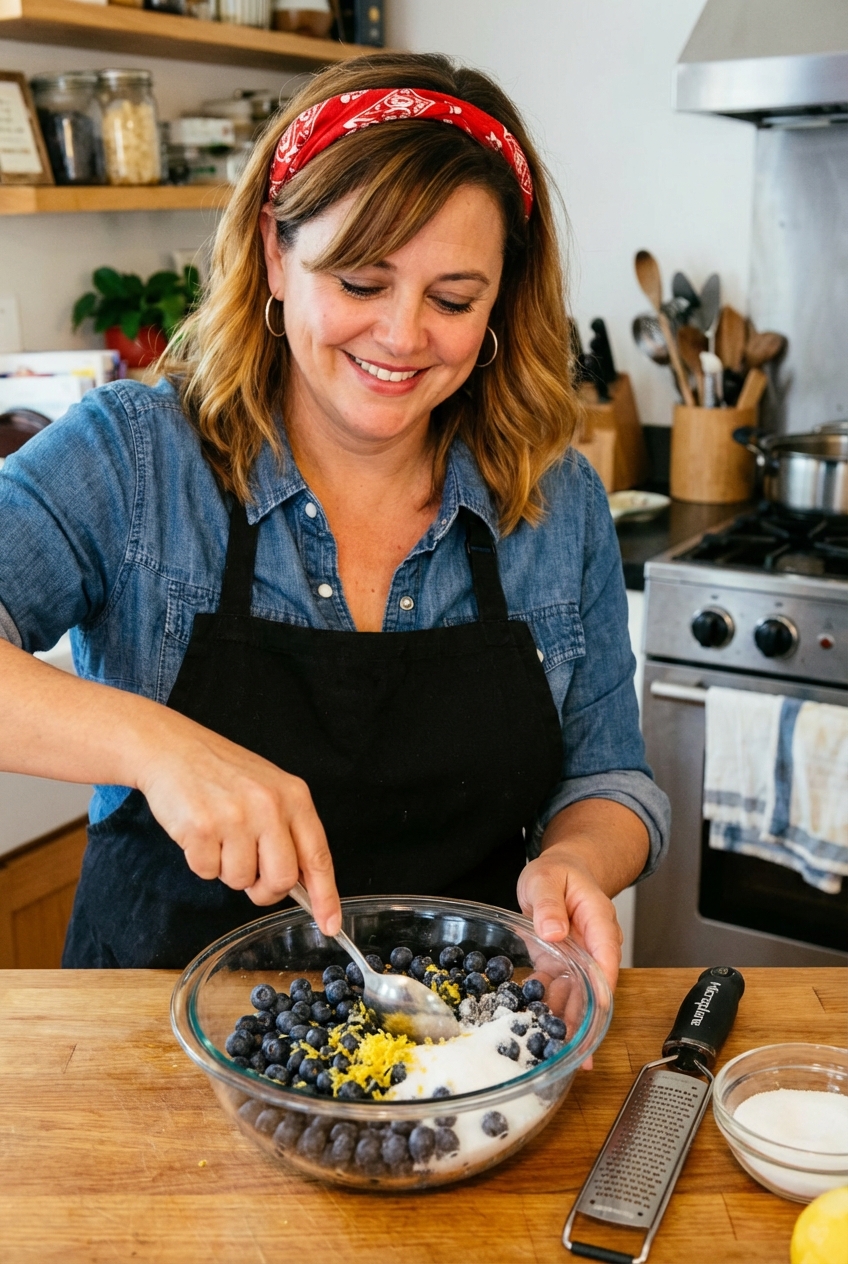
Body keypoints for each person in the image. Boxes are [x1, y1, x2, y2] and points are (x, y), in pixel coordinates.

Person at [0, 53, 669, 985]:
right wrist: (156, 746)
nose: (402, 337)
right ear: (278, 254)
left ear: (502, 301)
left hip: (458, 1053)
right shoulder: (136, 459)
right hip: (151, 1049)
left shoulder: (556, 501)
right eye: (360, 282)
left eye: (454, 299)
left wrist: (576, 862)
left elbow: (609, 781)